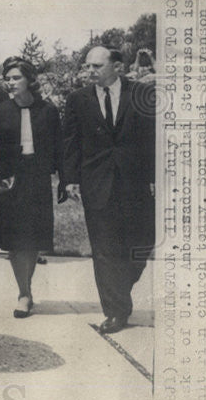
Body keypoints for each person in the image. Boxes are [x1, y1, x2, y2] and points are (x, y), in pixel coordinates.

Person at [63, 46, 156, 334]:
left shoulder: (141, 94)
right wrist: (70, 179)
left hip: (135, 183)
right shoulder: (78, 100)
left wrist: (156, 177)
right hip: (97, 183)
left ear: (117, 67)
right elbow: (70, 142)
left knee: (142, 243)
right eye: (87, 66)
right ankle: (116, 310)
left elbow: (153, 139)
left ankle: (121, 288)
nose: (90, 71)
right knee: (104, 250)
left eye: (97, 66)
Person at [0, 57, 68, 317]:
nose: (10, 83)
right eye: (7, 78)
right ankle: (24, 293)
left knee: (32, 240)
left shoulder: (48, 111)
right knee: (15, 242)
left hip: (37, 179)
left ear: (30, 80)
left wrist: (64, 178)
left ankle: (26, 289)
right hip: (10, 181)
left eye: (16, 78)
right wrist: (5, 157)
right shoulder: (0, 111)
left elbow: (59, 147)